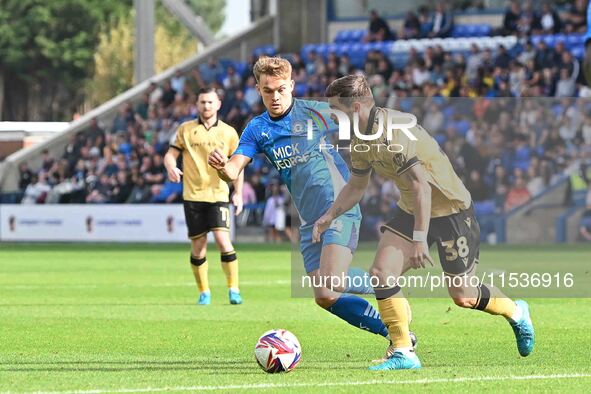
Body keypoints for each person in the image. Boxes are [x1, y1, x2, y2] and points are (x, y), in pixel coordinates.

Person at [313, 75, 535, 371]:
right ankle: (404, 351)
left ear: (354, 108)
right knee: (381, 272)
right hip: (412, 208)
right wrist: (329, 215)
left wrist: (420, 238)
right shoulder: (360, 139)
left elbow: (422, 186)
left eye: (334, 110)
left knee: (463, 296)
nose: (332, 117)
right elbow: (356, 185)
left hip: (451, 210)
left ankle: (517, 312)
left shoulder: (393, 132)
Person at [208, 56, 404, 356]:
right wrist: (222, 167)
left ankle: (384, 281)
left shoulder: (314, 112)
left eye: (280, 89)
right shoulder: (257, 129)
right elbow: (234, 170)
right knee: (325, 295)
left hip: (338, 207)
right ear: (259, 89)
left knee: (334, 280)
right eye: (267, 90)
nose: (274, 96)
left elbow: (361, 117)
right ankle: (395, 332)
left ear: (292, 86)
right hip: (309, 219)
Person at [164, 87, 244, 306]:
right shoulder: (185, 129)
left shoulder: (228, 132)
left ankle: (233, 289)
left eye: (210, 102)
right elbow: (170, 155)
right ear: (196, 105)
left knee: (222, 239)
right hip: (193, 195)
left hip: (218, 194)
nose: (206, 106)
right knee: (198, 245)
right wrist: (171, 167)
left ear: (218, 104)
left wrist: (238, 193)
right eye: (202, 102)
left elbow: (238, 164)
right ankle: (204, 292)